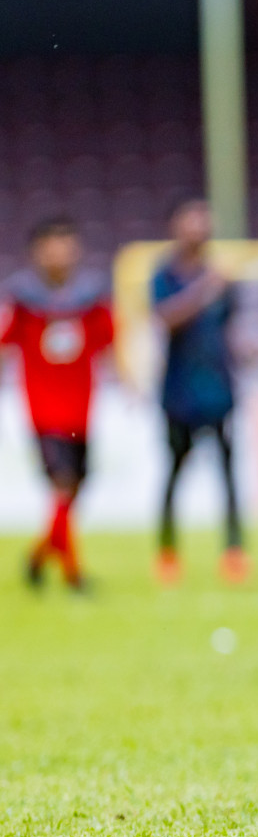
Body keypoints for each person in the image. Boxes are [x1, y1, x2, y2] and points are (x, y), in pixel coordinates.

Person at [1, 217, 114, 592]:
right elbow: (5, 343)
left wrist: (129, 381)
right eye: (52, 245)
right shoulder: (22, 298)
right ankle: (73, 574)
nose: (59, 254)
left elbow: (108, 343)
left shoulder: (91, 297)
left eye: (66, 245)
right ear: (37, 251)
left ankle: (37, 556)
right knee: (62, 486)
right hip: (43, 410)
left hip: (82, 409)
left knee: (73, 490)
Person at [152, 199, 246, 585]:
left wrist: (247, 353)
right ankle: (168, 552)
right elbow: (166, 320)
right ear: (177, 227)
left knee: (228, 476)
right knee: (174, 474)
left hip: (219, 392)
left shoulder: (222, 280)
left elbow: (227, 333)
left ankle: (234, 552)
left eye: (205, 222)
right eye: (192, 221)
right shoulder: (165, 276)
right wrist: (201, 291)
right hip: (179, 394)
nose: (199, 229)